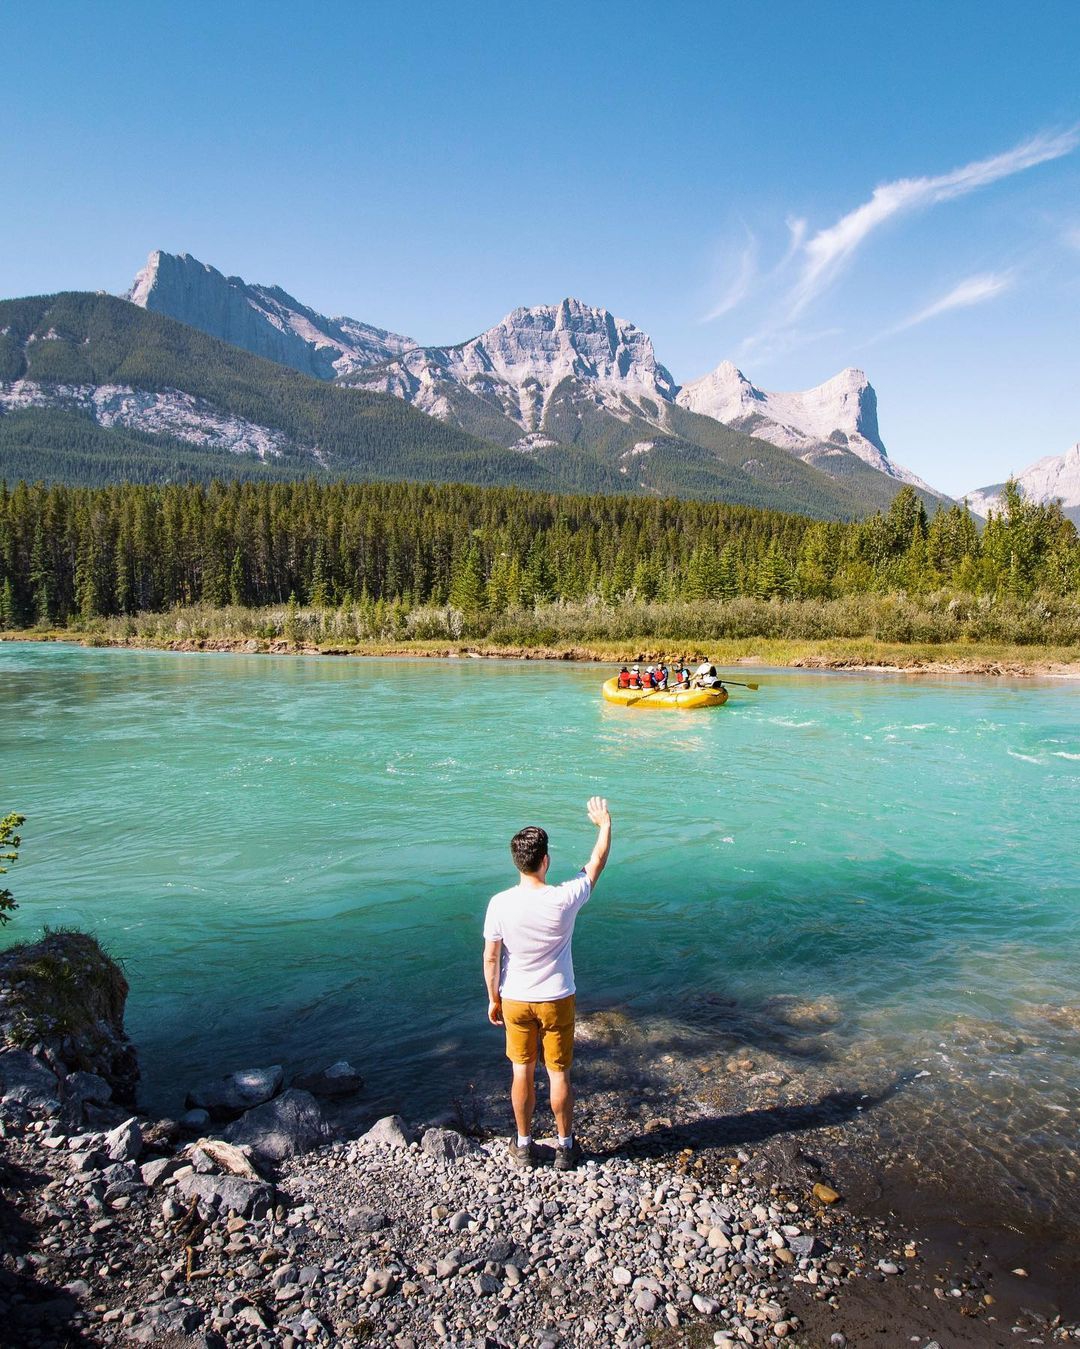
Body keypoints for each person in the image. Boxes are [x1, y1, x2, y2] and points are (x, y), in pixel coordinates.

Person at [483, 797, 613, 1171]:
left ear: (517, 862)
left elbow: (491, 957)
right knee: (559, 1073)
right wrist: (604, 825)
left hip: (515, 999)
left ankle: (523, 1146)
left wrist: (493, 998)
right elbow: (596, 864)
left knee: (521, 1071)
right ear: (546, 861)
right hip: (557, 998)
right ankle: (565, 1147)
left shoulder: (499, 904)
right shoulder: (564, 898)